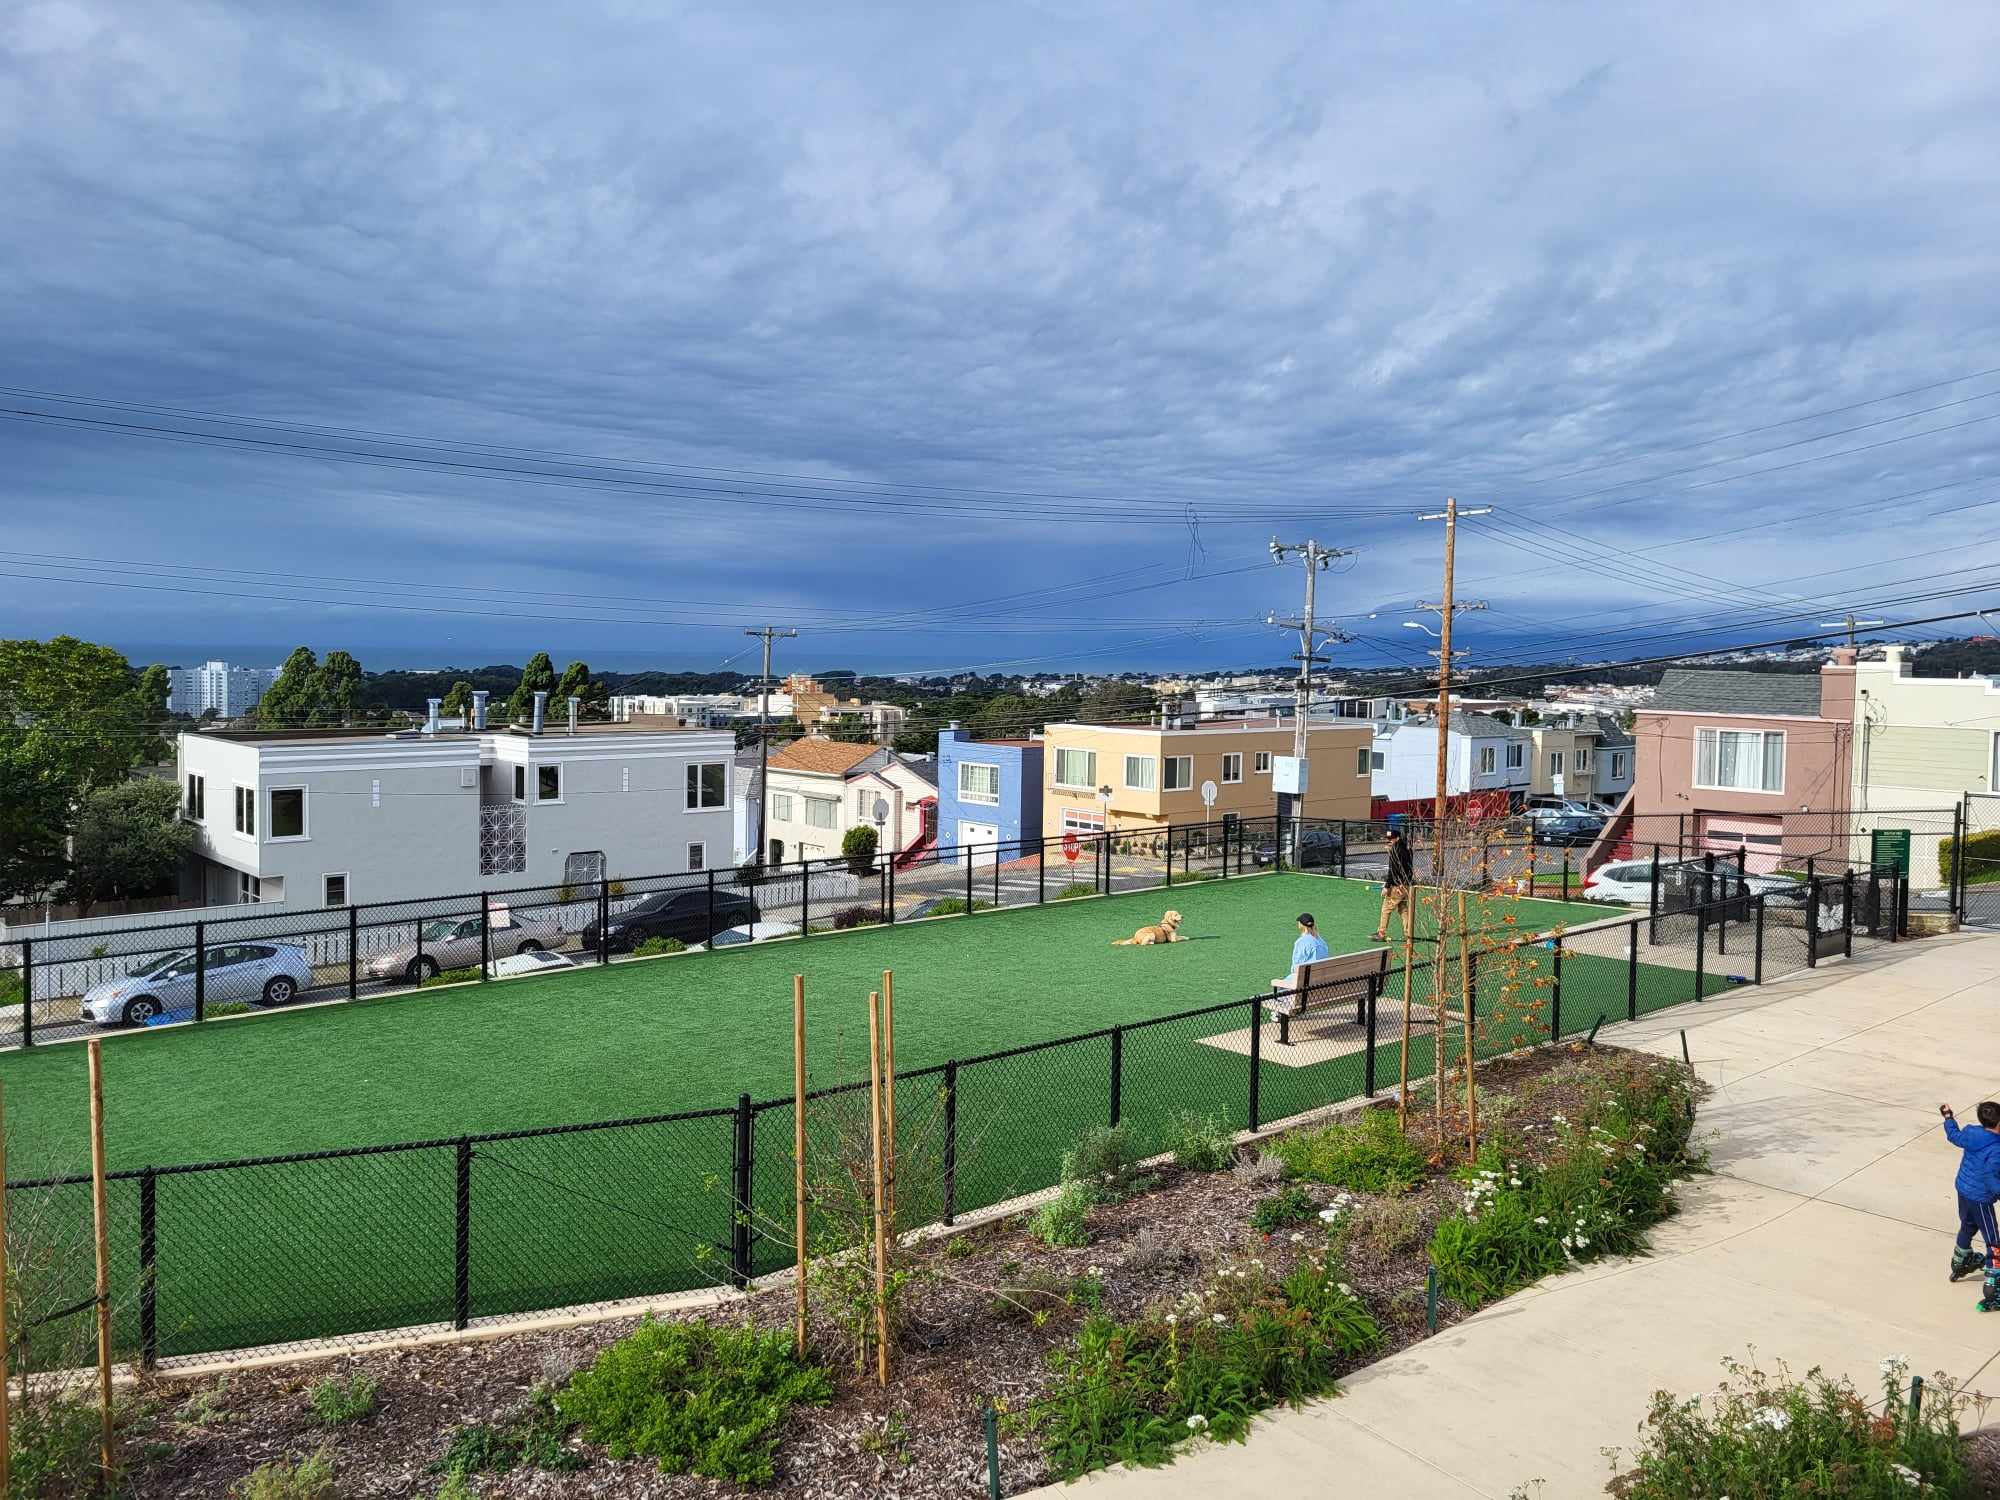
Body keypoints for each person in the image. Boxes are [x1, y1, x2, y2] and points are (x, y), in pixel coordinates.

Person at [1940, 1102, 2000, 1294]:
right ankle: (1993, 1282)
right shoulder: (1996, 1149)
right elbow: (1991, 1177)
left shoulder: (1972, 1134)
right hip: (1980, 1197)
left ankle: (1960, 1260)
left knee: (1968, 1225)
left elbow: (1953, 1135)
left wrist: (1949, 1118)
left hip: (1963, 1190)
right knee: (1992, 1239)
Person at [1373, 826, 1415, 943]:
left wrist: (1387, 886)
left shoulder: (1395, 851)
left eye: (1390, 839)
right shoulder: (1407, 849)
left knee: (1386, 908)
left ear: (1396, 838)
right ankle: (1408, 934)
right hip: (1406, 885)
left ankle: (1381, 933)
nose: (1388, 841)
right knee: (1403, 909)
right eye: (1388, 839)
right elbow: (1409, 869)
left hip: (1397, 886)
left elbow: (1392, 871)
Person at [1273, 912, 1331, 994]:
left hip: (1304, 984)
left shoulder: (1301, 942)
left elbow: (1295, 968)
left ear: (1301, 925)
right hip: (1320, 983)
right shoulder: (1322, 942)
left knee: (1279, 986)